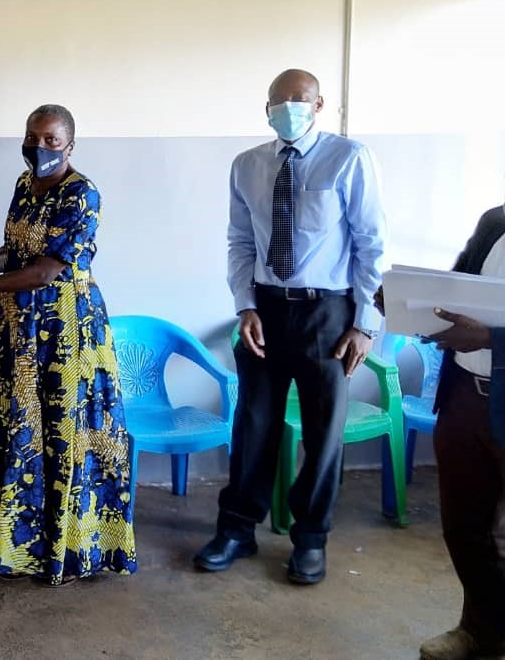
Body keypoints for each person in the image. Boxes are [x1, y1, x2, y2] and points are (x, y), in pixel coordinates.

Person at [0, 104, 137, 586]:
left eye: (50, 139)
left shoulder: (82, 194)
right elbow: (21, 248)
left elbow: (46, 271)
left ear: (70, 143)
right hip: (17, 325)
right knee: (17, 429)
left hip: (64, 331)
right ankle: (21, 546)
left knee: (63, 433)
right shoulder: (25, 185)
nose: (39, 147)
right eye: (33, 136)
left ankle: (67, 550)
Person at [194, 69, 385, 584]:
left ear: (318, 103)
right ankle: (237, 529)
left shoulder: (349, 158)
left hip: (329, 313)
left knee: (324, 433)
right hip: (265, 311)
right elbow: (240, 241)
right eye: (278, 102)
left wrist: (366, 324)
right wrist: (245, 306)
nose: (288, 109)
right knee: (253, 423)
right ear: (267, 109)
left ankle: (311, 539)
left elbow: (372, 246)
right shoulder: (248, 165)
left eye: (298, 101)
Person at [405, 205, 505, 660]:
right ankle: (481, 631)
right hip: (466, 395)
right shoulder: (495, 221)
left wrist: (491, 340)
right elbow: (453, 289)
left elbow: (485, 329)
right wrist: (412, 308)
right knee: (464, 526)